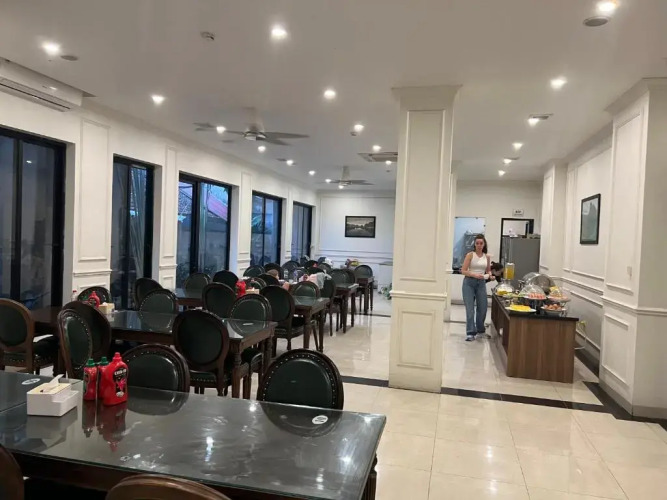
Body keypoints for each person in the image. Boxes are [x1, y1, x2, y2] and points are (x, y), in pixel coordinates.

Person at [461, 234, 491, 341]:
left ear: (484, 244)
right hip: (469, 283)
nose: (479, 245)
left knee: (482, 308)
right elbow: (463, 270)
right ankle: (470, 332)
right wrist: (474, 274)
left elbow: (488, 270)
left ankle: (480, 330)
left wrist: (489, 275)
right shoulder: (470, 255)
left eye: (481, 243)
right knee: (470, 309)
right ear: (474, 244)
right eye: (477, 243)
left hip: (481, 283)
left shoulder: (486, 257)